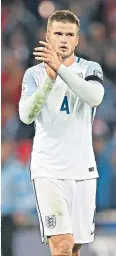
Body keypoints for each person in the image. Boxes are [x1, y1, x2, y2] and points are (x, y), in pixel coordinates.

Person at [19, 10, 104, 256]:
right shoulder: (33, 74)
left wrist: (61, 70)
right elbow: (26, 115)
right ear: (48, 36)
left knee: (74, 248)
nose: (64, 39)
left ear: (77, 39)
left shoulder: (90, 68)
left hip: (83, 170)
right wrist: (49, 79)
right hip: (49, 169)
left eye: (70, 34)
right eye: (58, 33)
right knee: (62, 245)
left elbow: (95, 97)